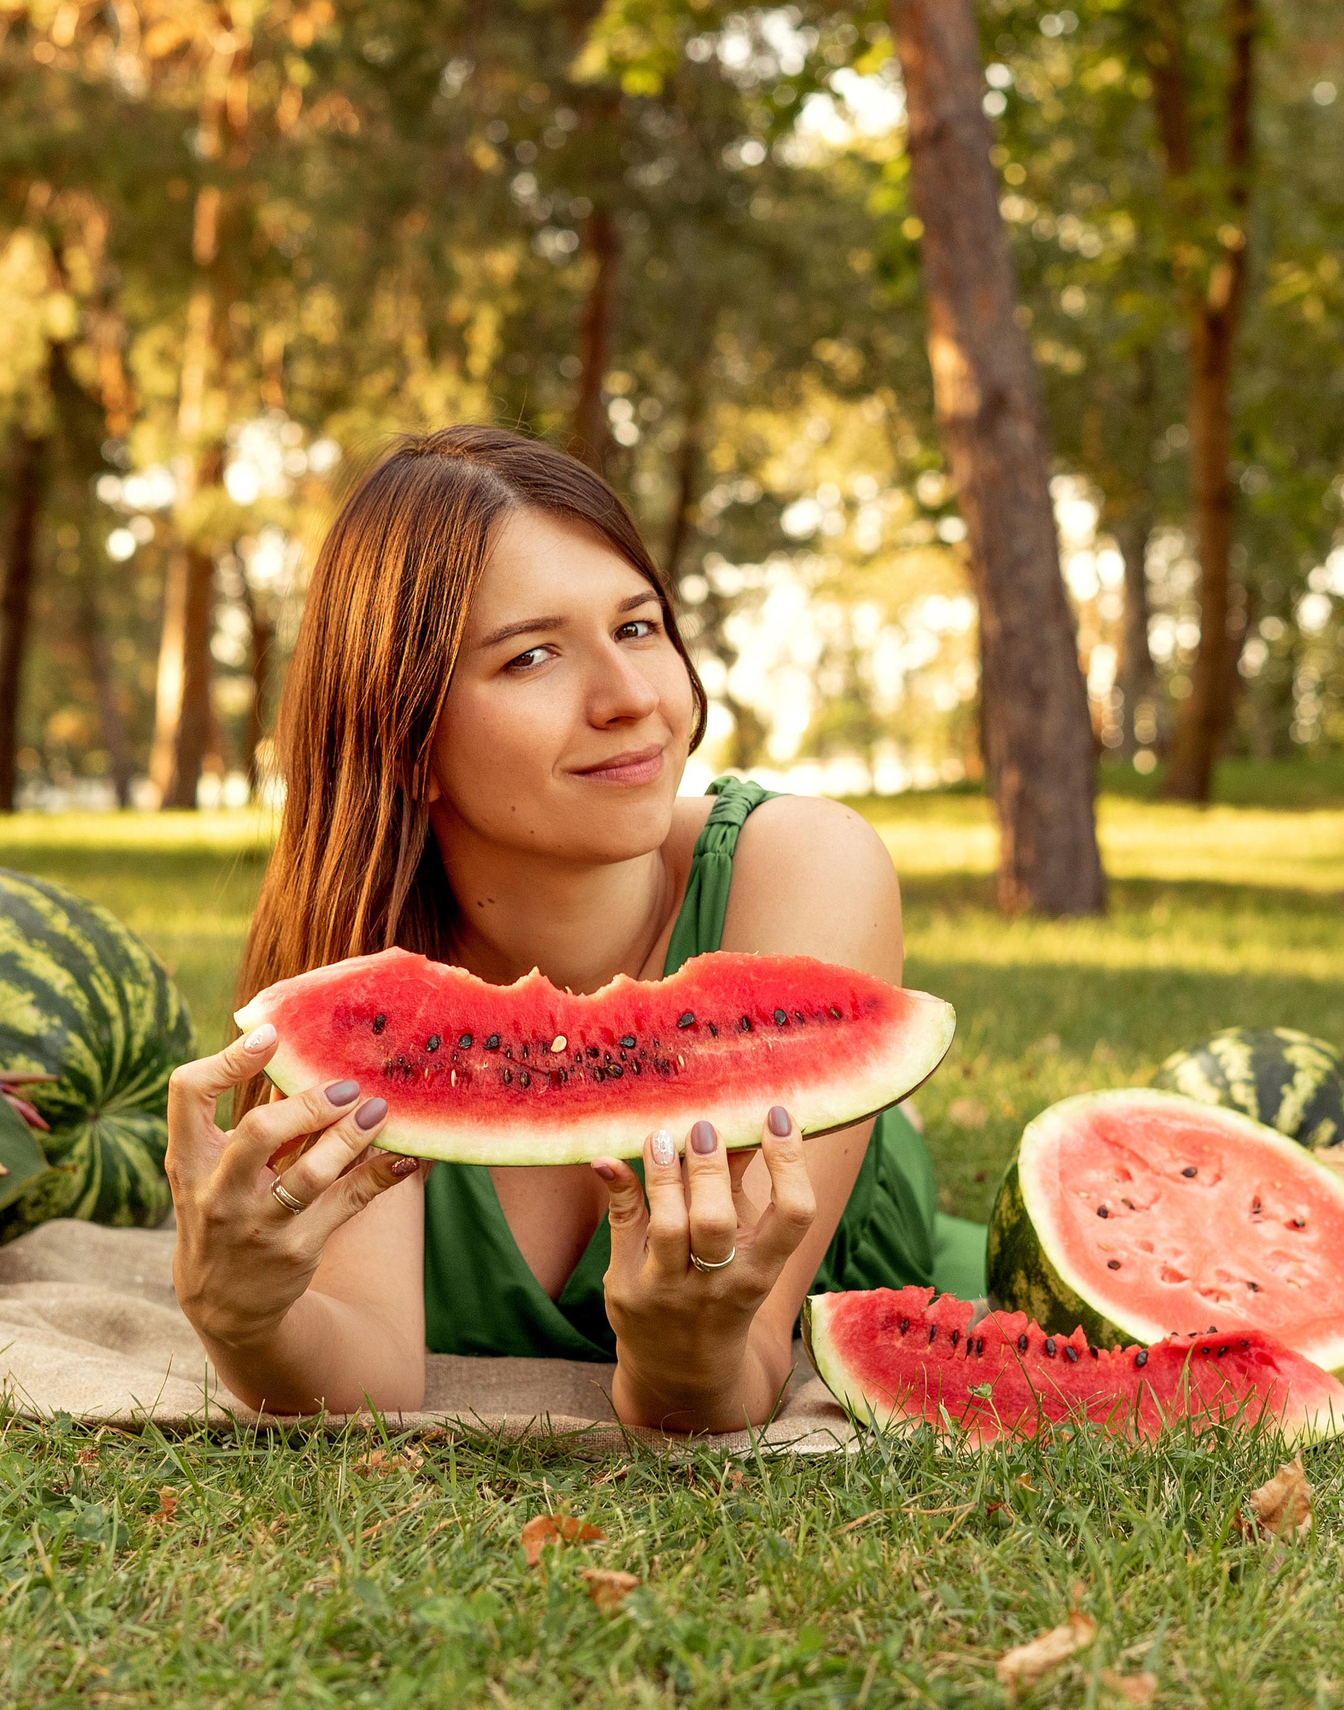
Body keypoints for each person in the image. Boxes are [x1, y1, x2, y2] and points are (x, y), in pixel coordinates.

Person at [167, 425, 982, 1432]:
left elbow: (737, 1371)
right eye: (534, 656)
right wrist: (243, 1319)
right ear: (404, 732)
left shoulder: (803, 864)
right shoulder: (363, 981)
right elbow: (367, 1377)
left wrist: (686, 1356)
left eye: (639, 629)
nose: (632, 699)